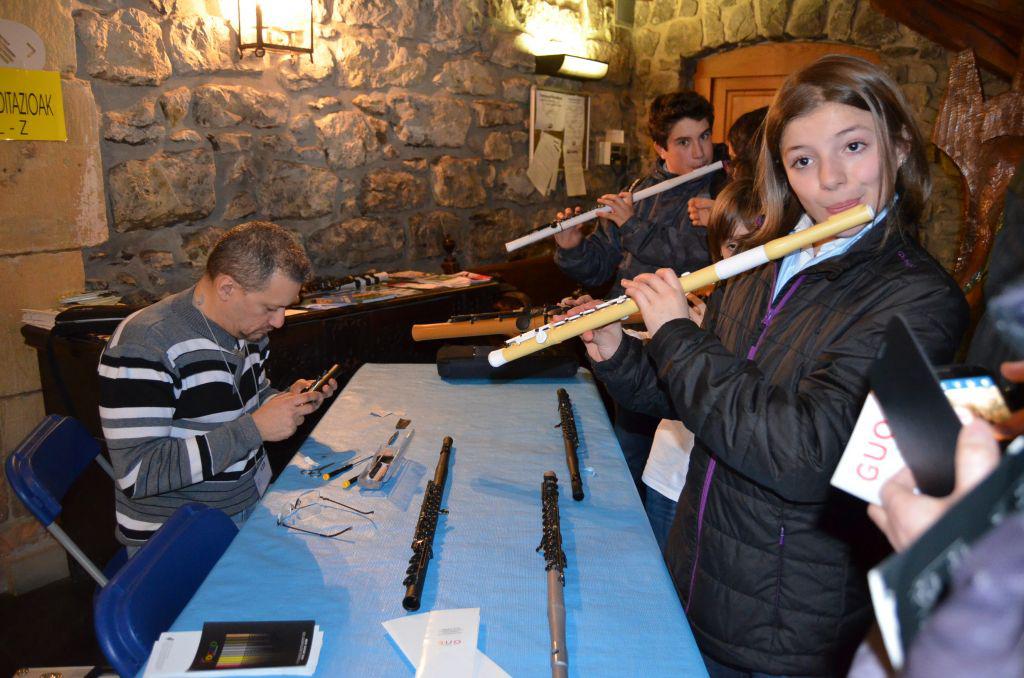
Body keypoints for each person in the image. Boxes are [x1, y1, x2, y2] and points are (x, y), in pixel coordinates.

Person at [574, 55, 969, 675]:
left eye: (854, 147)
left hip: (785, 623)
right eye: (803, 160)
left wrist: (677, 334)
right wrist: (621, 354)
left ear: (897, 147)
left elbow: (806, 454)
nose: (831, 180)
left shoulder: (920, 299)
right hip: (699, 575)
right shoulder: (762, 260)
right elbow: (693, 399)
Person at [98, 221, 336, 549]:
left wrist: (285, 401)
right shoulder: (145, 345)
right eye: (270, 307)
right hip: (179, 540)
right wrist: (255, 429)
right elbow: (139, 474)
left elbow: (244, 401)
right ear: (226, 288)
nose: (279, 321)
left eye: (285, 307)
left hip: (245, 510)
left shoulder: (249, 329)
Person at [553, 91, 728, 495]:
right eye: (684, 142)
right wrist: (572, 247)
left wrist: (632, 225)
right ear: (660, 147)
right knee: (629, 450)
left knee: (674, 464)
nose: (700, 152)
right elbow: (600, 267)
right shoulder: (638, 190)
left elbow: (695, 257)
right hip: (629, 338)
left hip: (685, 338)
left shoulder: (724, 193)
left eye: (704, 137)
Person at [643, 177, 761, 553]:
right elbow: (660, 386)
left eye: (752, 245)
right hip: (668, 468)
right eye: (731, 246)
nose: (739, 257)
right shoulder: (711, 294)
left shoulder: (767, 306)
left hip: (709, 483)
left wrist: (693, 341)